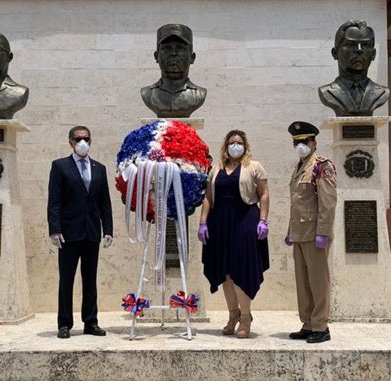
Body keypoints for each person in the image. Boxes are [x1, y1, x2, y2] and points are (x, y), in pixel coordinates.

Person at [197, 130, 270, 338]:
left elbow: (264, 194)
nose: (235, 146)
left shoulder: (253, 167)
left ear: (245, 145)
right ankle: (233, 315)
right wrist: (203, 223)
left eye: (239, 142)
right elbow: (208, 198)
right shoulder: (216, 169)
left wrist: (263, 220)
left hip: (245, 221)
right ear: (225, 145)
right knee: (225, 273)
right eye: (231, 142)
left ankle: (246, 318)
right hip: (220, 224)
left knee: (240, 270)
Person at [47, 125, 114, 339]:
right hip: (68, 232)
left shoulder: (99, 168)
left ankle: (91, 321)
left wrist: (108, 229)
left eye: (86, 138)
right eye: (78, 139)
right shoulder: (60, 166)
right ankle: (64, 323)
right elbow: (54, 201)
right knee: (66, 280)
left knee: (90, 279)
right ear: (71, 142)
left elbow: (105, 202)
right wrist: (54, 229)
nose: (82, 142)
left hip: (91, 232)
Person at [284, 121, 337, 343]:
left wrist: (323, 231)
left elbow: (328, 202)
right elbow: (297, 203)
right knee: (303, 282)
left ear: (314, 142)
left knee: (318, 281)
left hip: (315, 233)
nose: (300, 145)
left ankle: (321, 326)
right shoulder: (299, 167)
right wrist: (290, 230)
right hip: (299, 232)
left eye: (304, 141)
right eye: (297, 142)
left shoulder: (321, 166)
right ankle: (308, 323)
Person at [318, 20, 389, 117]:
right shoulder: (327, 92)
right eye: (351, 44)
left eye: (366, 45)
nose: (359, 50)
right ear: (335, 53)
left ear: (373, 54)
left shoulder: (382, 92)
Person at [140, 23, 207, 118]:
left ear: (192, 57)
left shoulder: (199, 94)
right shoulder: (147, 94)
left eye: (181, 48)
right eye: (167, 48)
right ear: (156, 56)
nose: (174, 53)